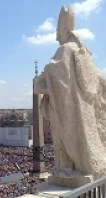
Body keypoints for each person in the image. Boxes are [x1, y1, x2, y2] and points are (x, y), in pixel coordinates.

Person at [34, 5, 106, 179]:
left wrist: (42, 81)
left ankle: (68, 166)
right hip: (83, 111)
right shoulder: (82, 51)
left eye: (58, 31)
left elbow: (53, 75)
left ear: (63, 30)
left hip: (69, 113)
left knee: (64, 142)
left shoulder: (65, 50)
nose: (56, 36)